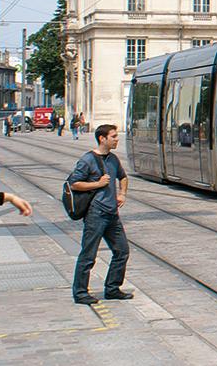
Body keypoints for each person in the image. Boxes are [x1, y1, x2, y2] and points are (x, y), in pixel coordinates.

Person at [69, 124, 131, 305]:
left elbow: (123, 177)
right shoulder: (87, 160)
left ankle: (112, 288)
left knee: (122, 251)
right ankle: (80, 293)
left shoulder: (113, 159)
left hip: (112, 214)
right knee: (88, 255)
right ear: (102, 138)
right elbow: (74, 184)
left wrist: (122, 193)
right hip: (96, 214)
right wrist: (98, 184)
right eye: (113, 136)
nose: (117, 139)